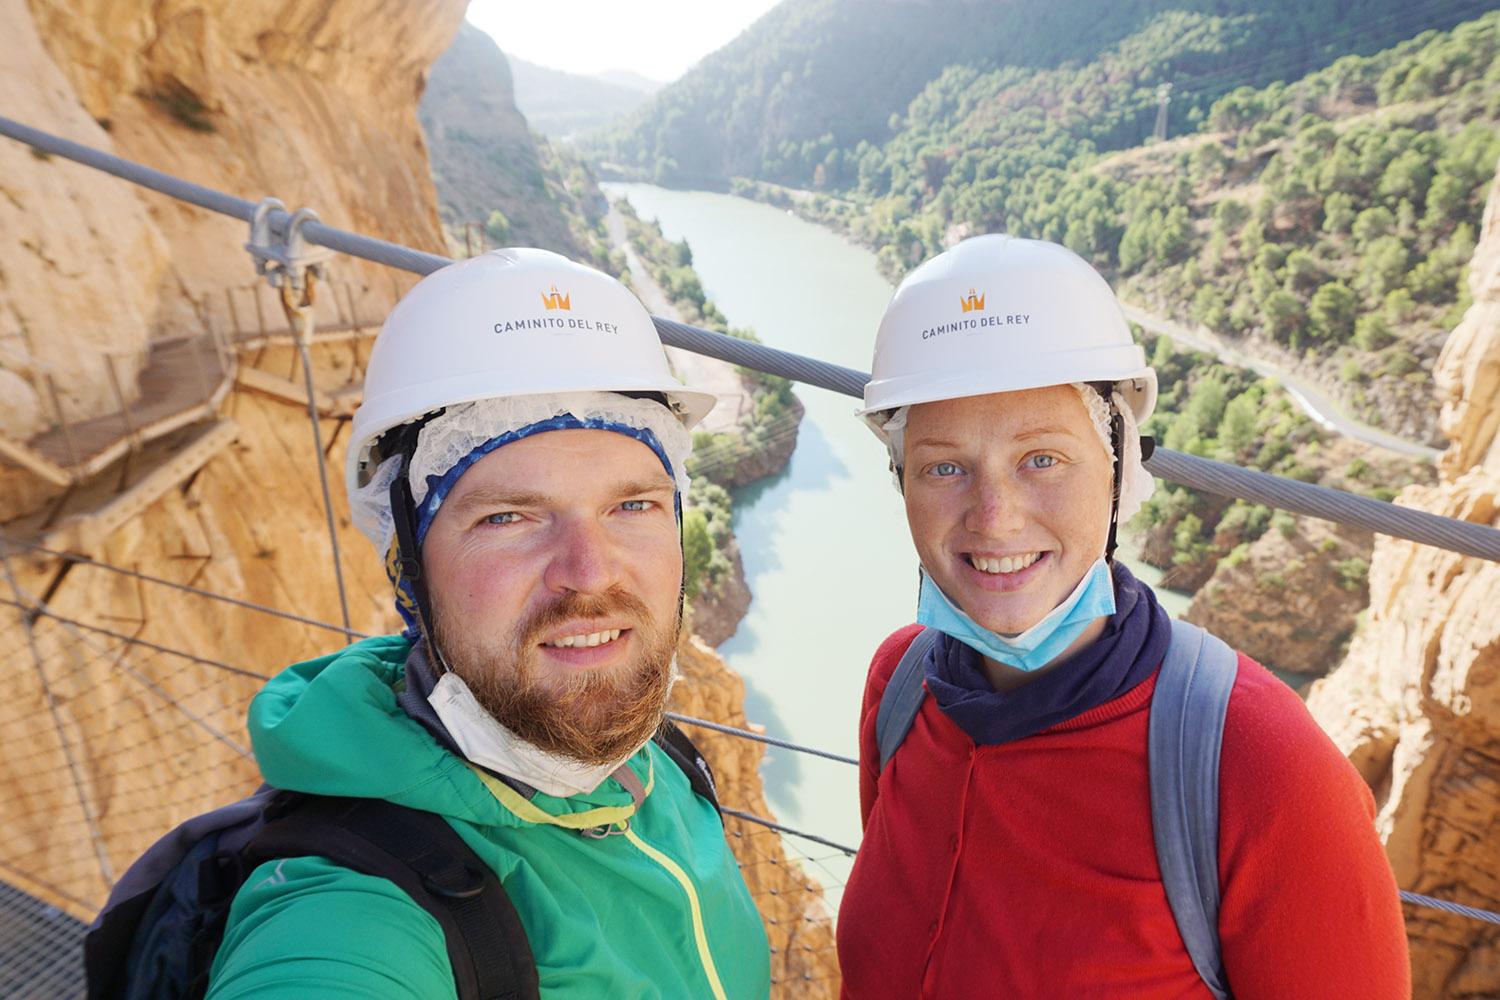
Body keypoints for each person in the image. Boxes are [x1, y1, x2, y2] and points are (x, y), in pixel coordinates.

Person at [835, 234, 1409, 998]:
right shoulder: (900, 687)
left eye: (1043, 458)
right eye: (945, 467)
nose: (995, 519)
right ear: (899, 480)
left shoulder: (1261, 770)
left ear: (1120, 467)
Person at [204, 249, 770, 998]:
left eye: (632, 505)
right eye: (508, 516)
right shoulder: (356, 906)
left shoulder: (657, 763)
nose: (590, 572)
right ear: (409, 569)